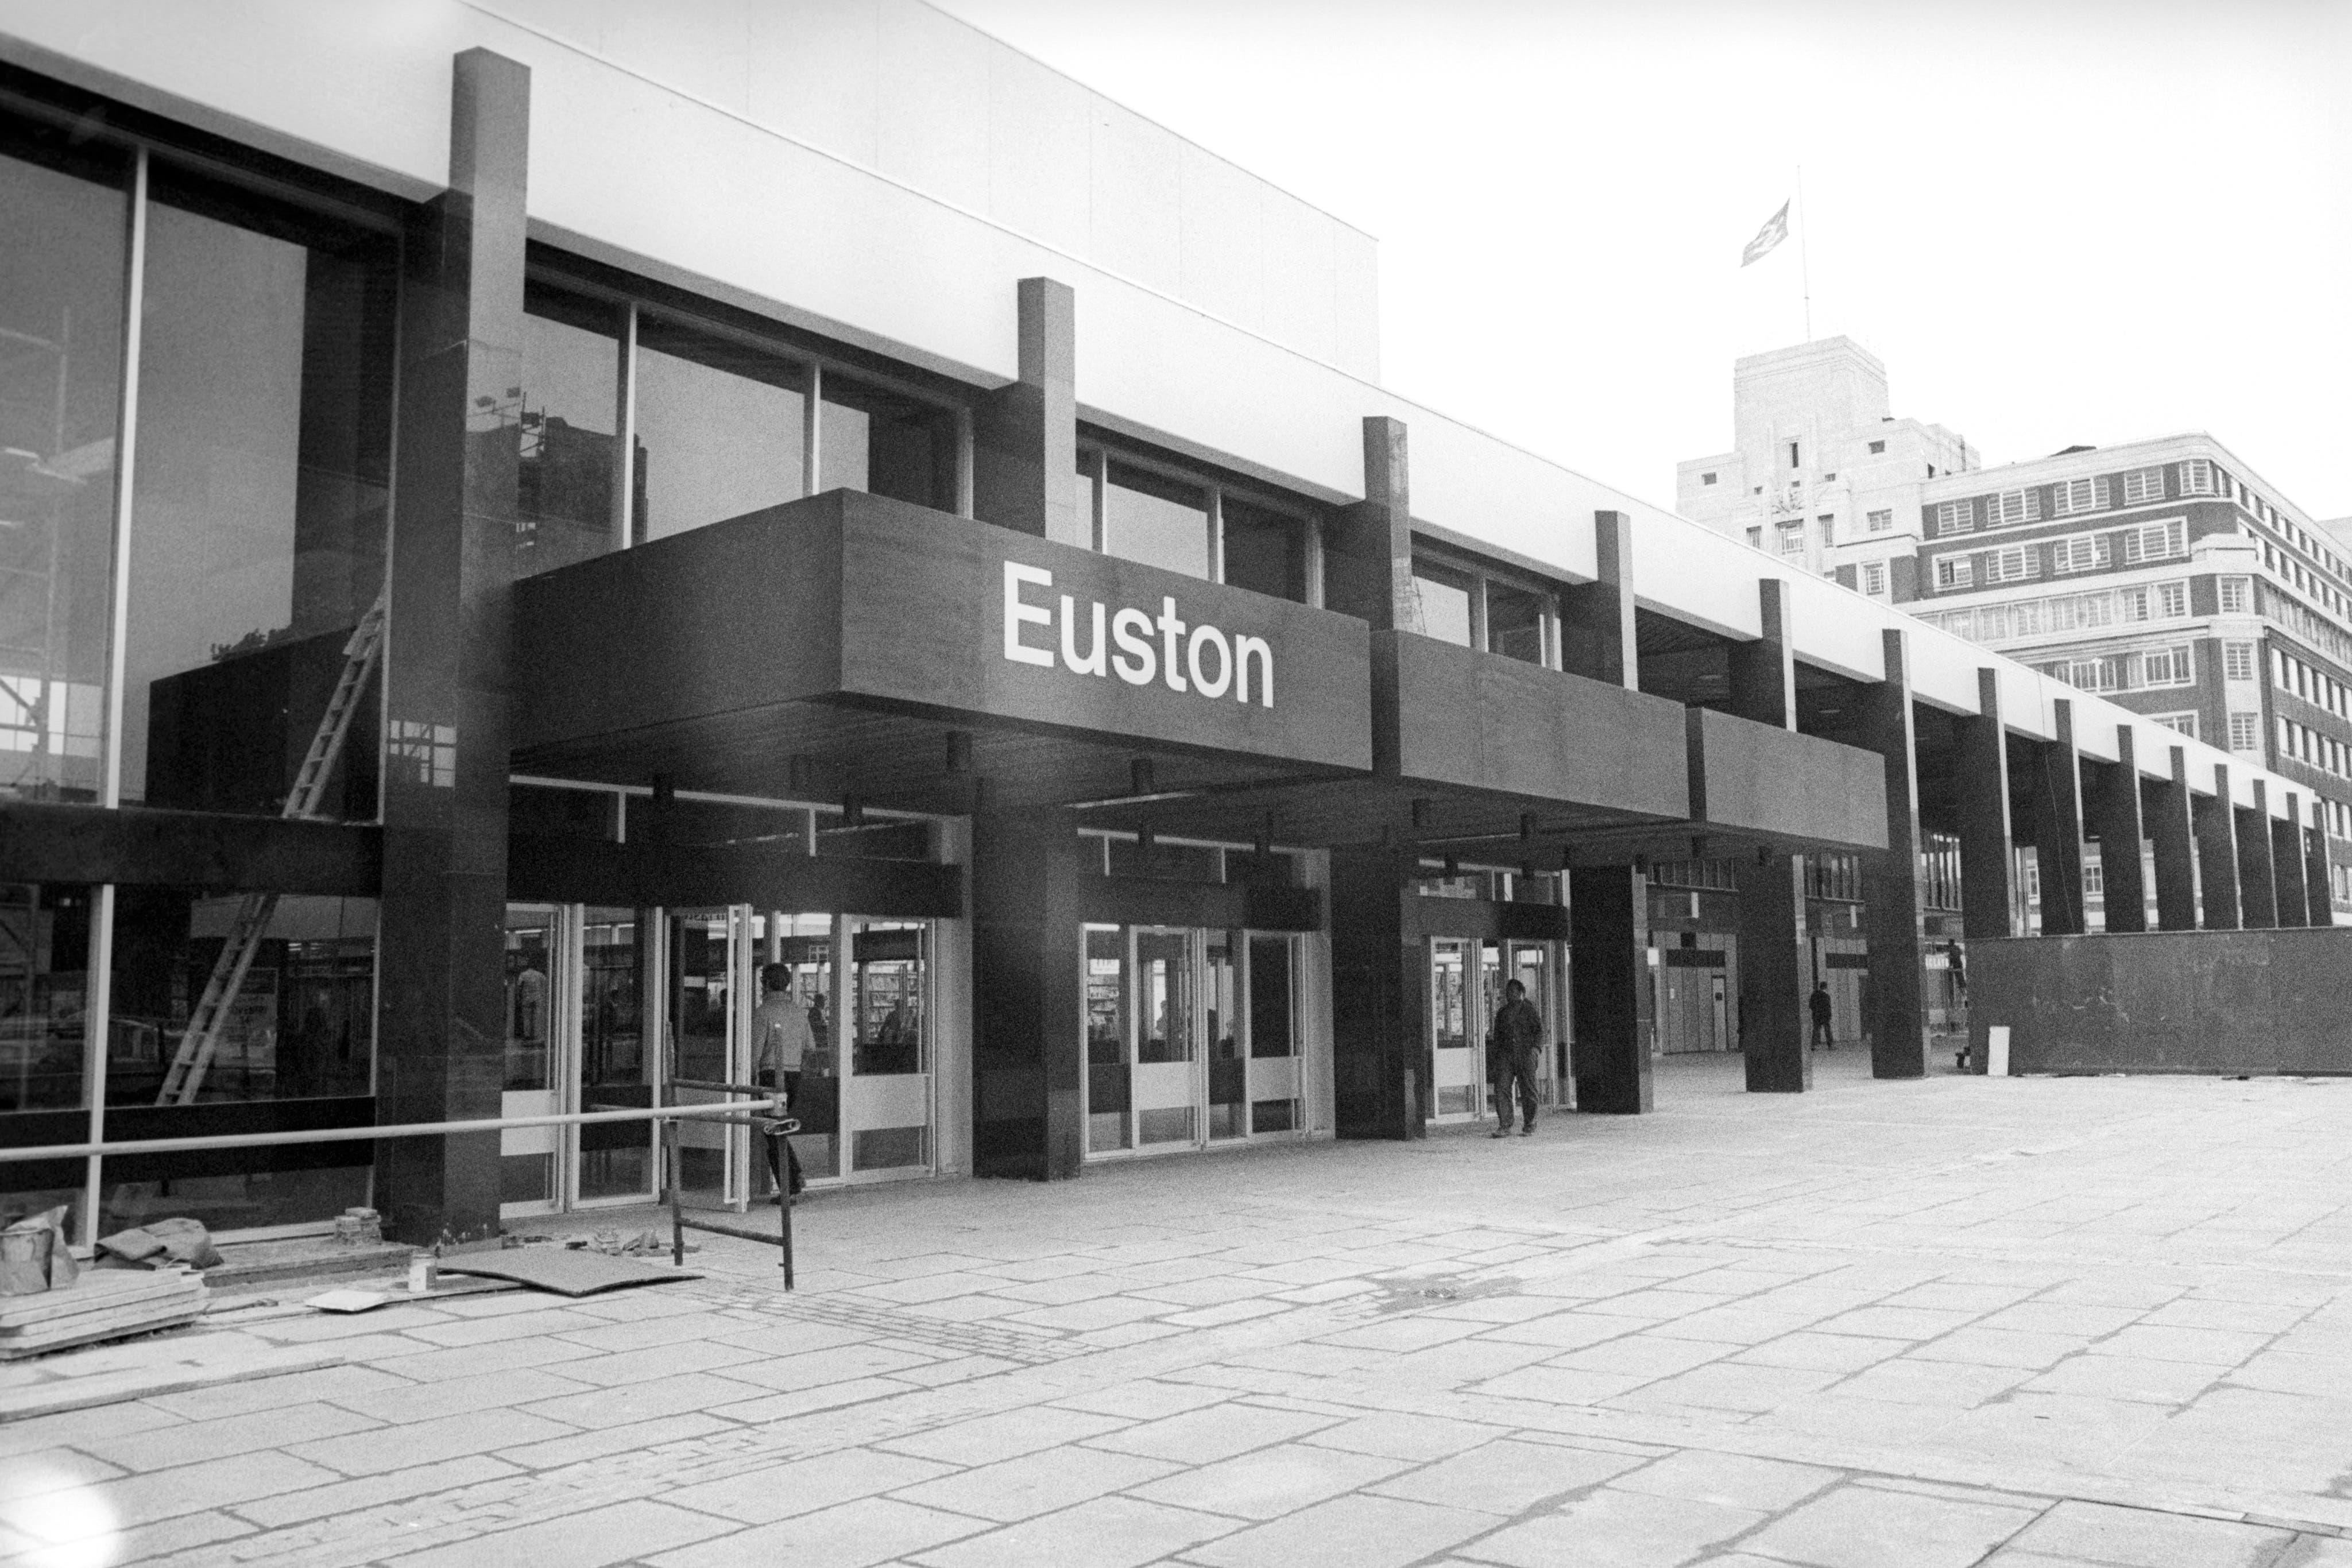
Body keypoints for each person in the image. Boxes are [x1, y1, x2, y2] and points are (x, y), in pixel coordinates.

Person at [751, 963, 813, 1198]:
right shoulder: (798, 1011)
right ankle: (794, 1177)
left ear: (766, 984)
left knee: (773, 1130)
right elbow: (810, 1047)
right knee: (780, 1127)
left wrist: (750, 1075)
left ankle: (791, 1185)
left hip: (771, 1075)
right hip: (794, 1075)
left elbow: (755, 1051)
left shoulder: (763, 1012)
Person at [1486, 978, 1544, 1138]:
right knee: (1502, 1088)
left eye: (1513, 991)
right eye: (1507, 992)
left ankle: (1530, 1123)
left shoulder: (1529, 1010)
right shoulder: (1503, 1013)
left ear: (1520, 993)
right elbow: (1497, 1036)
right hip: (1506, 1056)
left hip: (1526, 1054)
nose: (1509, 995)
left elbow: (1539, 1032)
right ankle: (1505, 1124)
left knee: (1528, 1090)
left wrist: (1536, 1050)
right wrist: (1497, 1056)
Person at [1809, 982, 1834, 1051]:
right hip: (1825, 1016)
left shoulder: (1814, 995)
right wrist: (1829, 1015)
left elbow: (1811, 1005)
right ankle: (1830, 1046)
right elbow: (1828, 1007)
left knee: (1816, 1031)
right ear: (1826, 987)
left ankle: (1813, 1046)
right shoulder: (1826, 996)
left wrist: (1816, 1011)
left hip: (1816, 1016)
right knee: (1828, 1031)